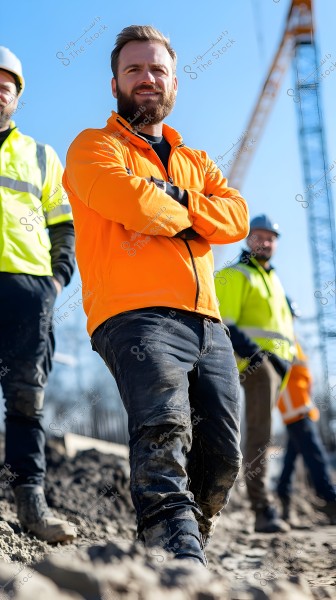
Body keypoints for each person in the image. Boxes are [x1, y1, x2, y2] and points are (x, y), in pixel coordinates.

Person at [63, 25, 249, 566]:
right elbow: (132, 203)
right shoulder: (93, 146)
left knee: (223, 456)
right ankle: (176, 557)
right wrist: (199, 217)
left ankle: (187, 532)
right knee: (164, 429)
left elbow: (235, 217)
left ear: (174, 81)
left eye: (157, 69)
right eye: (134, 70)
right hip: (134, 315)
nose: (147, 79)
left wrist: (172, 201)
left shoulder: (197, 159)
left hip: (207, 322)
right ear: (116, 83)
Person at [0, 47, 76, 542]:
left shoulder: (41, 156)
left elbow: (63, 225)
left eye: (6, 84)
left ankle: (31, 506)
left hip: (28, 292)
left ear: (16, 96)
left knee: (27, 402)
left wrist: (56, 279)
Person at [215, 214, 295, 533]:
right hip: (255, 367)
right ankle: (261, 508)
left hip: (277, 367)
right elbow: (227, 322)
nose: (266, 242)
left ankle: (261, 503)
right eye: (259, 236)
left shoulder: (272, 279)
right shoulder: (236, 275)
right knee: (259, 435)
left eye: (271, 237)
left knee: (261, 434)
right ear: (247, 239)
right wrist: (259, 358)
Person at [276, 298, 336, 524]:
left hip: (301, 408)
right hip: (296, 409)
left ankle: (283, 492)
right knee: (315, 454)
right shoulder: (282, 338)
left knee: (292, 458)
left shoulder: (292, 339)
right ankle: (329, 498)